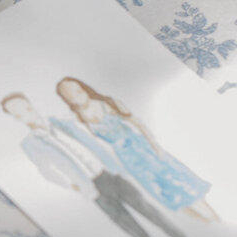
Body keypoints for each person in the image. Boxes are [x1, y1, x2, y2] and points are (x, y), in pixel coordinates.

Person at [0, 92, 189, 237]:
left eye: (23, 108)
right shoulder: (30, 143)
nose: (24, 115)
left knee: (145, 207)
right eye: (17, 115)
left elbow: (92, 140)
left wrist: (114, 165)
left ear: (30, 105)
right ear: (16, 118)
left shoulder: (62, 120)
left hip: (108, 174)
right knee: (123, 220)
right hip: (90, 186)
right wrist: (73, 186)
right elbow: (46, 171)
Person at [56, 78, 217, 220]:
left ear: (83, 88)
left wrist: (155, 145)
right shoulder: (80, 118)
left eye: (77, 90)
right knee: (159, 190)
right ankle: (204, 221)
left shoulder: (107, 103)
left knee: (177, 179)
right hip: (127, 157)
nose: (77, 96)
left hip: (141, 147)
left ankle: (212, 214)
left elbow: (137, 123)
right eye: (70, 95)